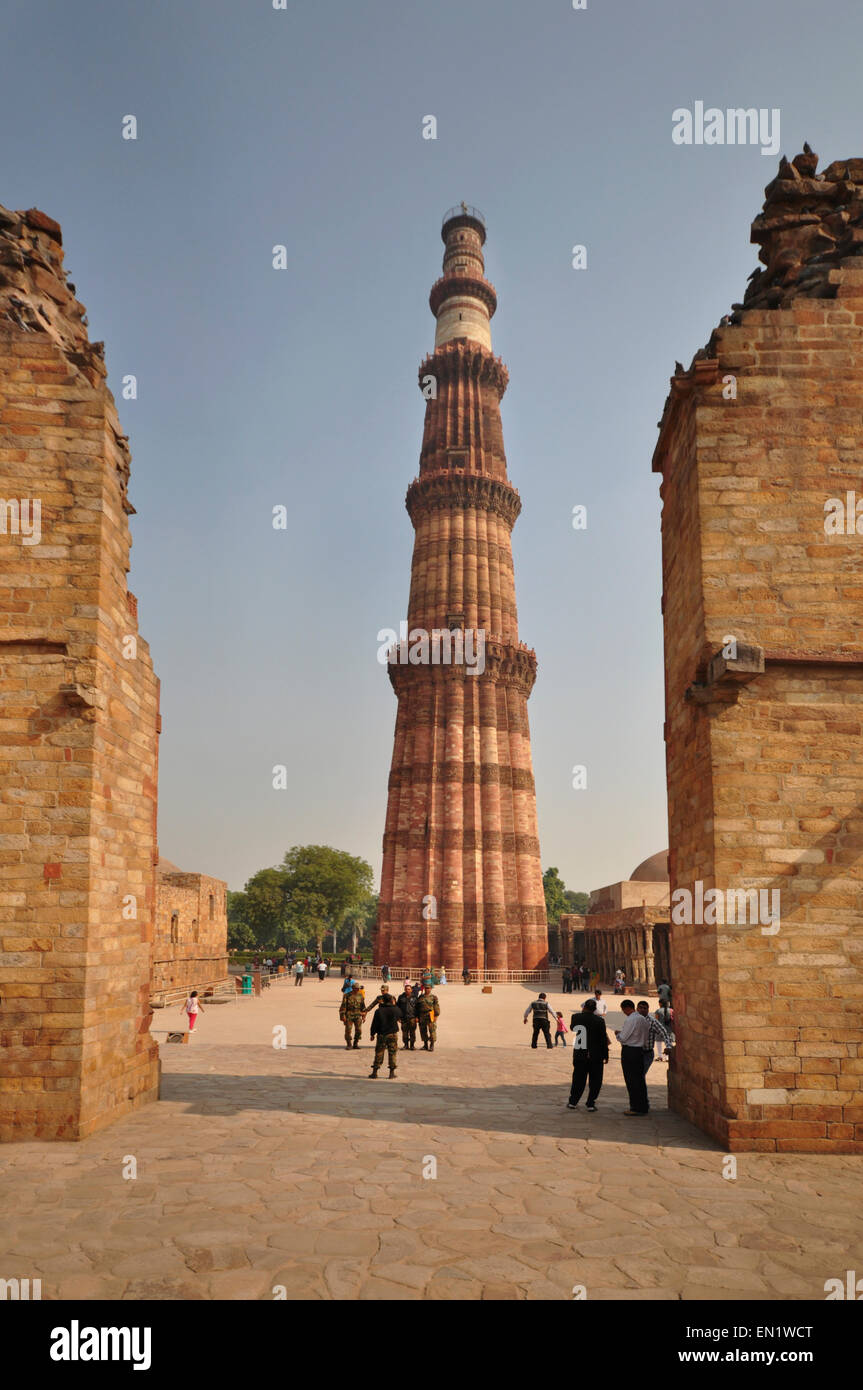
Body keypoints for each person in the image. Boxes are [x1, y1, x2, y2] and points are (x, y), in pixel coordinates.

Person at [567, 997, 608, 1110]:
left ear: (584, 1007)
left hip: (580, 1052)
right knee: (595, 1080)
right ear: (595, 1009)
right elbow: (603, 1039)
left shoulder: (576, 1017)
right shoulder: (599, 1021)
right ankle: (590, 1103)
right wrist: (606, 1054)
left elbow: (573, 1028)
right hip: (596, 1054)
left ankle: (573, 1102)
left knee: (578, 1078)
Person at [615, 999, 651, 1115]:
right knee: (640, 1080)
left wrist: (618, 1035)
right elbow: (645, 1037)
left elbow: (623, 1037)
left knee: (631, 1080)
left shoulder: (631, 1019)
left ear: (625, 1008)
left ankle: (635, 1107)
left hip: (630, 1051)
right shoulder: (643, 1019)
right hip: (640, 1051)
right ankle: (643, 1105)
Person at [368, 992, 401, 1079]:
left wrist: (372, 1034)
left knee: (379, 1053)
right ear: (391, 1000)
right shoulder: (395, 1009)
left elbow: (374, 1024)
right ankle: (391, 1073)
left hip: (381, 1035)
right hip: (392, 1034)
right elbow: (400, 1016)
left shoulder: (378, 1011)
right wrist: (394, 1005)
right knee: (392, 1053)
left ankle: (374, 1072)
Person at [637, 999, 673, 1070]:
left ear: (648, 1010)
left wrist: (668, 1046)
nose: (642, 1010)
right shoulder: (633, 1019)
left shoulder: (652, 1021)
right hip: (635, 1052)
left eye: (644, 1008)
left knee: (640, 1074)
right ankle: (664, 1057)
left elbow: (663, 1033)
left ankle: (660, 1056)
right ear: (637, 1009)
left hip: (646, 1053)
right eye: (640, 1008)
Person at [339, 981, 365, 1049]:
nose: (358, 990)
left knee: (359, 1030)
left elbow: (363, 1006)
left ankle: (355, 1043)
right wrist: (343, 1016)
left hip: (358, 1015)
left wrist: (364, 1016)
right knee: (348, 1030)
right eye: (356, 988)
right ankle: (349, 1044)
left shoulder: (360, 995)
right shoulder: (347, 995)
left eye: (358, 988)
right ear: (353, 988)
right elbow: (343, 1006)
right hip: (349, 1015)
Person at [416, 984, 440, 1051]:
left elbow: (436, 1007)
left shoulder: (433, 997)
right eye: (426, 988)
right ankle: (425, 1045)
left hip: (430, 1015)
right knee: (423, 1031)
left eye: (428, 988)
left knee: (432, 1030)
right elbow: (417, 1008)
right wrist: (417, 1016)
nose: (427, 989)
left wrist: (436, 1015)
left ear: (431, 989)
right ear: (424, 989)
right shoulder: (420, 997)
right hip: (422, 1015)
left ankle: (432, 1045)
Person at [396, 982, 419, 1050]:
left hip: (412, 1017)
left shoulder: (415, 997)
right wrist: (398, 1017)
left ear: (411, 990)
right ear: (404, 989)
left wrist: (417, 1017)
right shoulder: (401, 997)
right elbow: (397, 1007)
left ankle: (412, 1045)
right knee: (404, 1032)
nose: (407, 990)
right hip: (404, 1018)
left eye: (409, 989)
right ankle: (406, 1045)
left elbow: (418, 1008)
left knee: (412, 1032)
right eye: (406, 989)